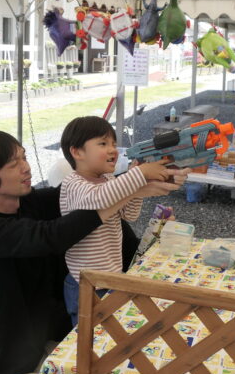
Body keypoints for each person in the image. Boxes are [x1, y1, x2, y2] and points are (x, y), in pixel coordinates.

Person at [0, 130, 187, 374]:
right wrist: (135, 181)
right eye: (14, 164)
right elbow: (51, 236)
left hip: (52, 341)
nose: (26, 167)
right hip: (0, 363)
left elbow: (92, 193)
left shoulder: (34, 201)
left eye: (24, 157)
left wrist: (147, 179)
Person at [59, 116, 172, 325]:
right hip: (86, 284)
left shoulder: (109, 180)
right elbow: (99, 198)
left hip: (111, 276)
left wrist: (137, 185)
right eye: (103, 144)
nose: (113, 150)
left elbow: (129, 214)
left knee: (111, 332)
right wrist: (138, 175)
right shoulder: (73, 184)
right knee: (87, 336)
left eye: (113, 143)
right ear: (77, 152)